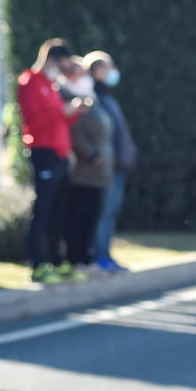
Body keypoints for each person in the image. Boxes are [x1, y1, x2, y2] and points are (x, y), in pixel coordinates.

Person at [18, 38, 88, 284]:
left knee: (59, 211)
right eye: (63, 64)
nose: (64, 70)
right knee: (43, 210)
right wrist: (63, 111)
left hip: (60, 154)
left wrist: (73, 113)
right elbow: (34, 121)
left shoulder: (52, 85)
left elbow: (59, 121)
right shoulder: (30, 82)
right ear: (51, 59)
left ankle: (57, 262)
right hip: (43, 153)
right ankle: (38, 265)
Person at [83, 50, 136, 272]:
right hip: (105, 167)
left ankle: (106, 255)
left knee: (110, 212)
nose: (112, 71)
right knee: (102, 213)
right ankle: (98, 255)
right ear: (95, 71)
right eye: (106, 67)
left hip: (118, 166)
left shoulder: (108, 99)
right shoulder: (92, 99)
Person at [63, 58, 113, 272]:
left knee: (91, 216)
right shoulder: (71, 96)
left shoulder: (92, 98)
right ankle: (76, 259)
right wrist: (92, 155)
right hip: (83, 171)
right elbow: (75, 132)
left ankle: (86, 257)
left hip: (98, 172)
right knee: (79, 217)